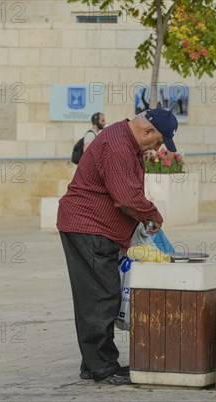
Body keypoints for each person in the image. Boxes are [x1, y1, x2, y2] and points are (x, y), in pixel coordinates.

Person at [57, 109, 178, 385]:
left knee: (100, 294)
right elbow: (126, 197)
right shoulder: (118, 146)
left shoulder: (124, 140)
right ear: (147, 131)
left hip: (95, 227)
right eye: (158, 142)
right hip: (88, 226)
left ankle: (95, 363)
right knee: (101, 297)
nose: (156, 148)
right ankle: (101, 367)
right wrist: (152, 215)